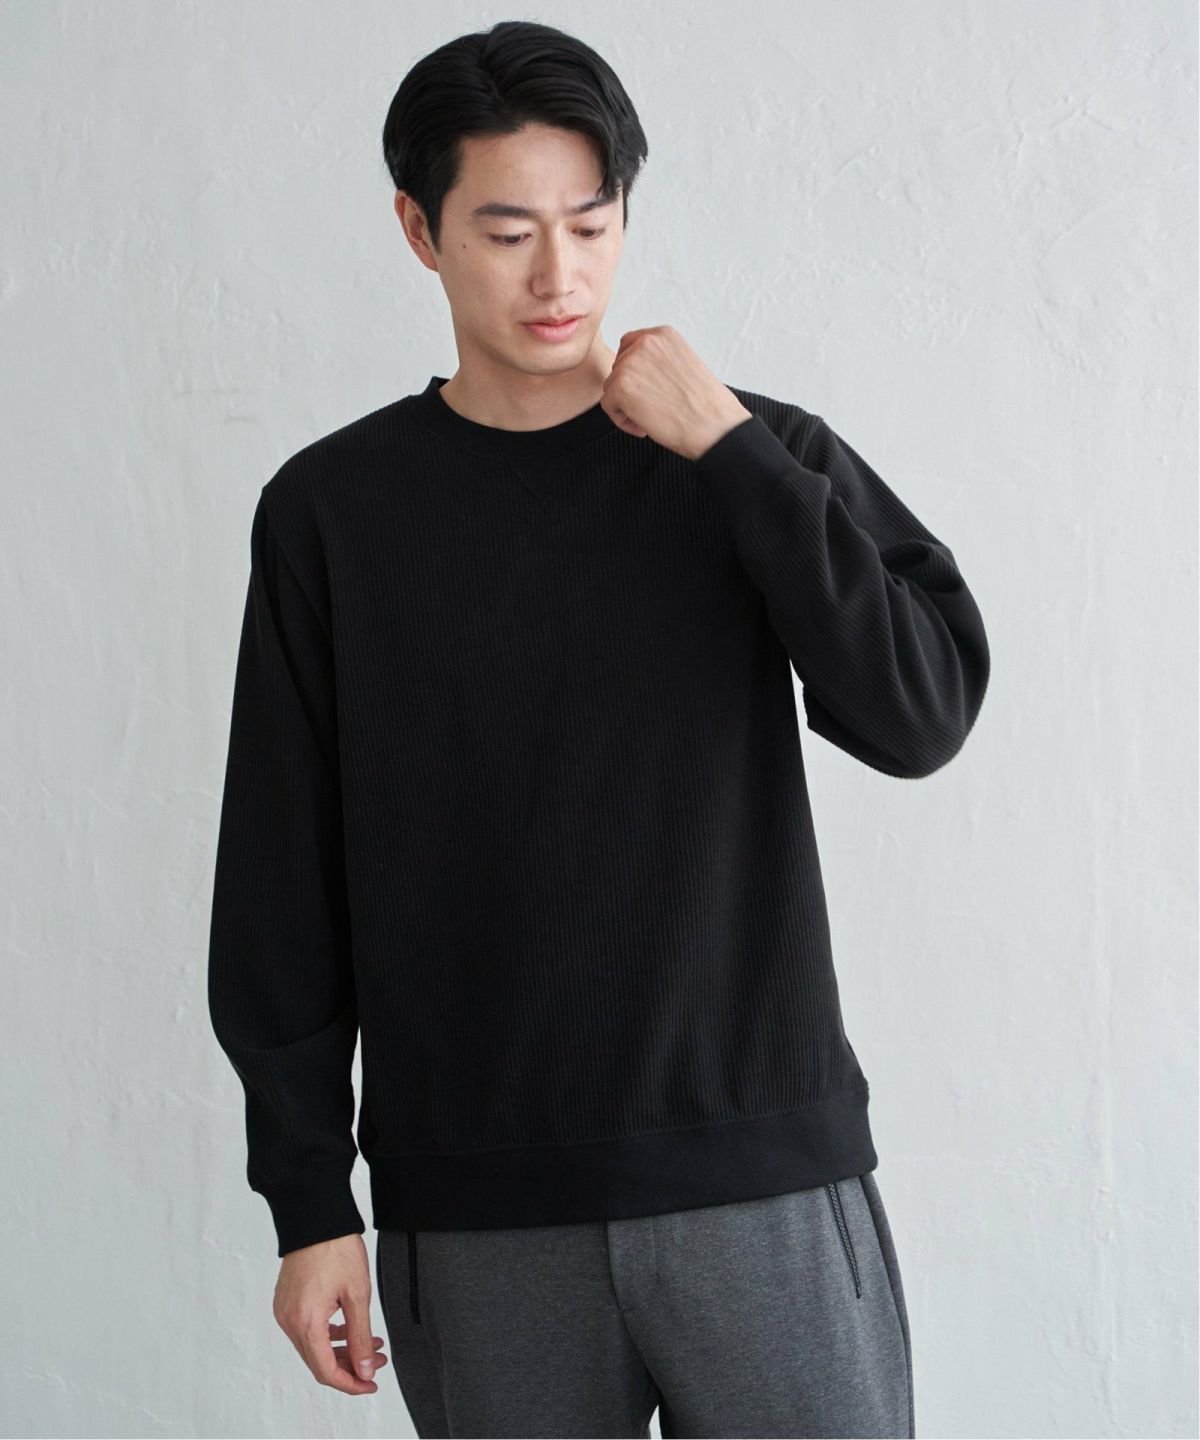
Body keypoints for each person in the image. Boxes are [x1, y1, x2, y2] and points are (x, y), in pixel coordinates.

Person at [207, 19, 989, 1438]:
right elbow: (280, 878)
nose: (558, 275)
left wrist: (733, 453)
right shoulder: (332, 514)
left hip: (760, 1180)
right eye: (507, 233)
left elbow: (920, 711)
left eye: (591, 222)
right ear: (418, 230)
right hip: (482, 1217)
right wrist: (307, 1199)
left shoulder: (750, 459)